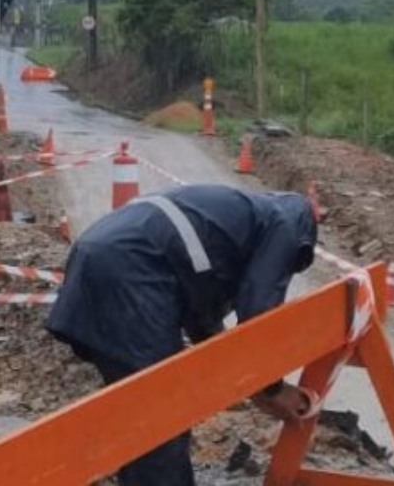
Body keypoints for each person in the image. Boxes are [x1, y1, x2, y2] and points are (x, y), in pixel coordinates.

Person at [45, 184, 320, 486]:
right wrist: (273, 390)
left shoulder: (238, 217)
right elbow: (259, 313)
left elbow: (202, 313)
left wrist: (242, 378)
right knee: (161, 413)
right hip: (130, 271)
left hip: (98, 259)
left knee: (138, 415)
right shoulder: (284, 225)